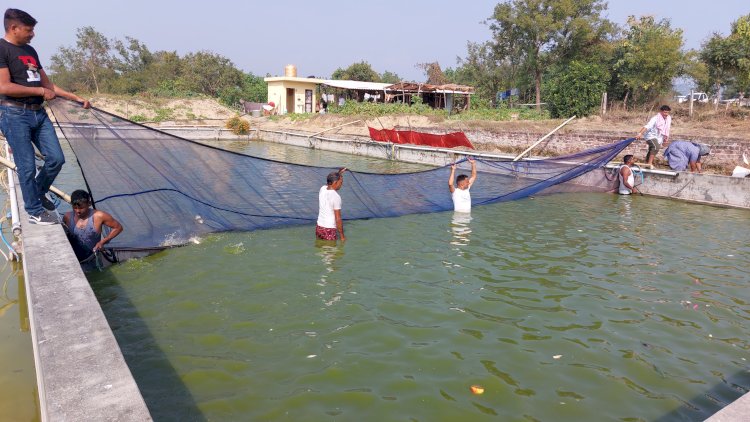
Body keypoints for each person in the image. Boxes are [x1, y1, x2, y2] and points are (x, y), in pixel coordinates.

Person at [0, 9, 90, 225]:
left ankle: (38, 192)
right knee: (27, 165)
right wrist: (40, 92)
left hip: (38, 114)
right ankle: (34, 211)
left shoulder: (30, 50)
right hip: (13, 114)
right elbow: (4, 86)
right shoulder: (1, 49)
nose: (32, 34)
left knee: (57, 158)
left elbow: (47, 85)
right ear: (13, 28)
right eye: (29, 30)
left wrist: (75, 97)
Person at [63, 190, 122, 266]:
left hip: (93, 259)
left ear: (89, 204)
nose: (78, 211)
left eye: (81, 208)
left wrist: (102, 242)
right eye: (75, 207)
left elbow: (118, 227)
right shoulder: (67, 217)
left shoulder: (99, 216)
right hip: (74, 260)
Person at [316, 168, 347, 242]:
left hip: (319, 227)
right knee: (331, 252)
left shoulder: (322, 189)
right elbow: (338, 219)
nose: (341, 184)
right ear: (335, 182)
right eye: (341, 182)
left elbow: (330, 182)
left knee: (320, 251)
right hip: (329, 229)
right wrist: (342, 236)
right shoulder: (336, 197)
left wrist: (339, 173)